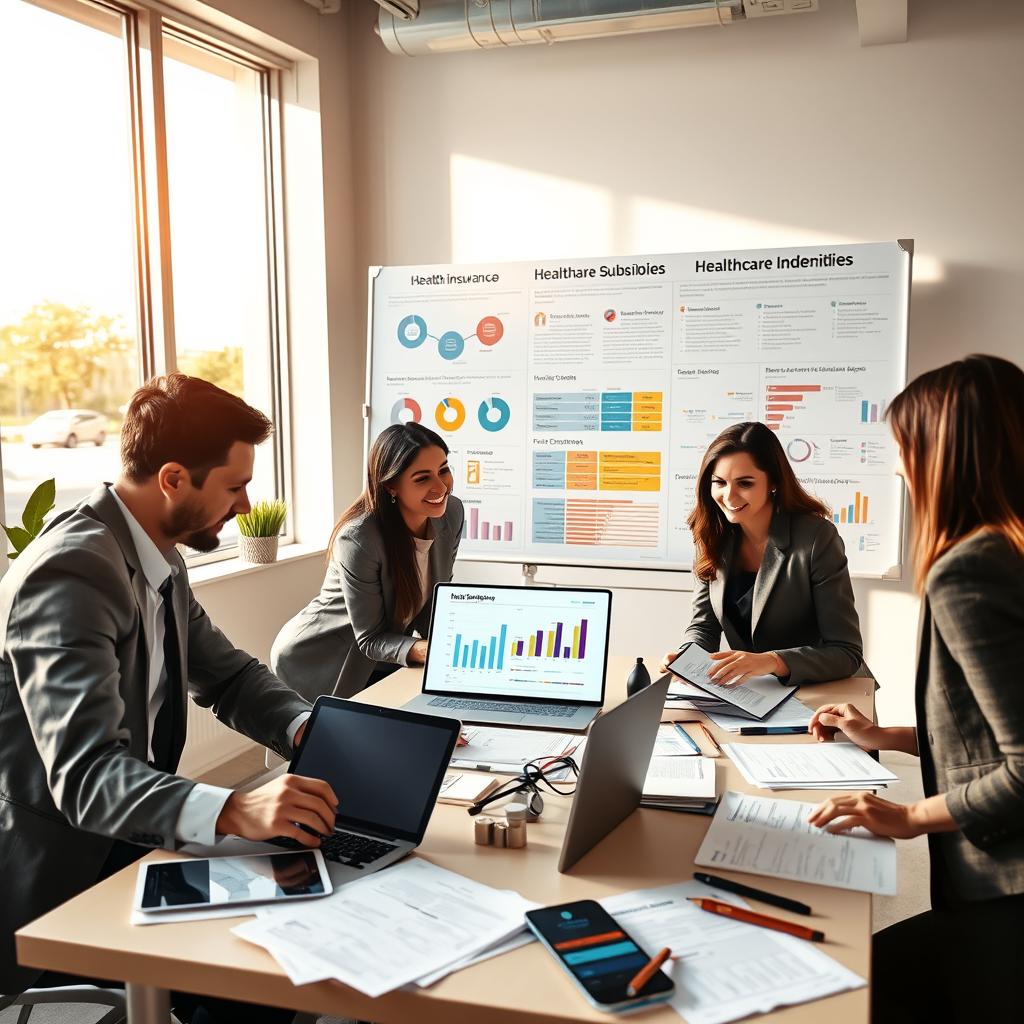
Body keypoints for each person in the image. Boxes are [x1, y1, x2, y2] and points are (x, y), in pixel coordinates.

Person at [0, 374, 336, 1024]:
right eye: (235, 486)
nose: (244, 506)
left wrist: (306, 729)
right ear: (175, 479)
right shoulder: (72, 571)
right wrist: (236, 807)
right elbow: (88, 777)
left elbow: (229, 676)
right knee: (255, 974)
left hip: (131, 833)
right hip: (63, 868)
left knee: (301, 900)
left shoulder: (157, 555)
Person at [807, 354, 1024, 1022]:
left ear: (944, 451)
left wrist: (905, 818)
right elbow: (989, 732)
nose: (898, 466)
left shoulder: (968, 571)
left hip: (1004, 894)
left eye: (903, 445)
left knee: (844, 990)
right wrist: (884, 736)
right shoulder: (1006, 550)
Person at [660, 421, 864, 686]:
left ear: (774, 482)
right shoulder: (713, 535)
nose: (729, 496)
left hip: (825, 692)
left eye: (744, 483)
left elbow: (846, 652)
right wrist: (687, 657)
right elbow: (704, 626)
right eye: (719, 482)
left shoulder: (816, 538)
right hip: (753, 693)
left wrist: (772, 661)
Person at [272, 422, 464, 700]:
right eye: (422, 478)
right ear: (391, 486)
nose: (440, 486)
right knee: (319, 741)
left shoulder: (452, 513)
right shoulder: (359, 539)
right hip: (320, 658)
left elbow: (434, 599)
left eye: (444, 470)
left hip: (382, 655)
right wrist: (430, 650)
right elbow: (370, 638)